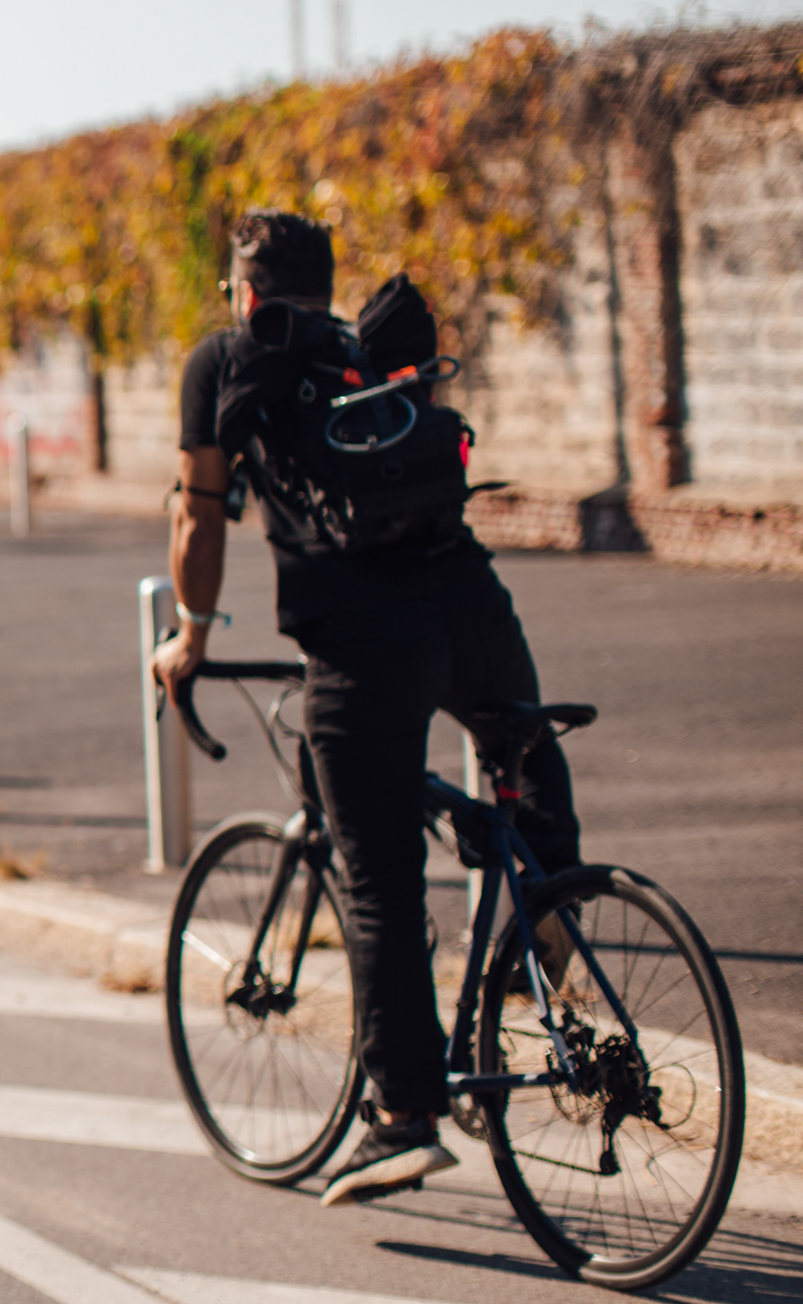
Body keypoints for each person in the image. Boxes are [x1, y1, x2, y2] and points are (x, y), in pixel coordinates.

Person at [149, 209, 582, 1208]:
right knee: (519, 764)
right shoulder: (366, 354)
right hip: (471, 608)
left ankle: (402, 1118)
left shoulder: (225, 361)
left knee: (378, 873)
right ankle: (555, 920)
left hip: (361, 642)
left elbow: (198, 512)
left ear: (244, 294)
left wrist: (193, 636)